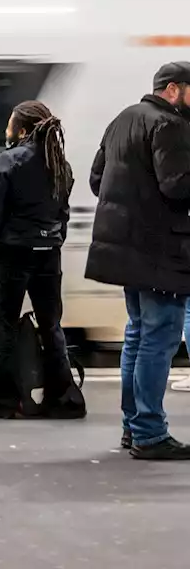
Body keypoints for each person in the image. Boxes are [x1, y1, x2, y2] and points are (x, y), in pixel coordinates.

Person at [87, 62, 190, 459]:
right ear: (174, 89)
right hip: (161, 250)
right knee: (160, 337)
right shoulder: (170, 124)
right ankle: (149, 432)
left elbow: (98, 181)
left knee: (137, 333)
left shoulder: (122, 119)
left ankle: (133, 426)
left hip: (126, 249)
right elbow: (177, 186)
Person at [0, 101, 86, 421]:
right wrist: (52, 240)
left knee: (3, 326)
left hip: (12, 254)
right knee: (51, 324)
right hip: (48, 254)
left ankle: (3, 401)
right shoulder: (60, 163)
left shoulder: (9, 160)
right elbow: (63, 212)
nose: (6, 131)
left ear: (23, 130)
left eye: (11, 125)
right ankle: (65, 399)